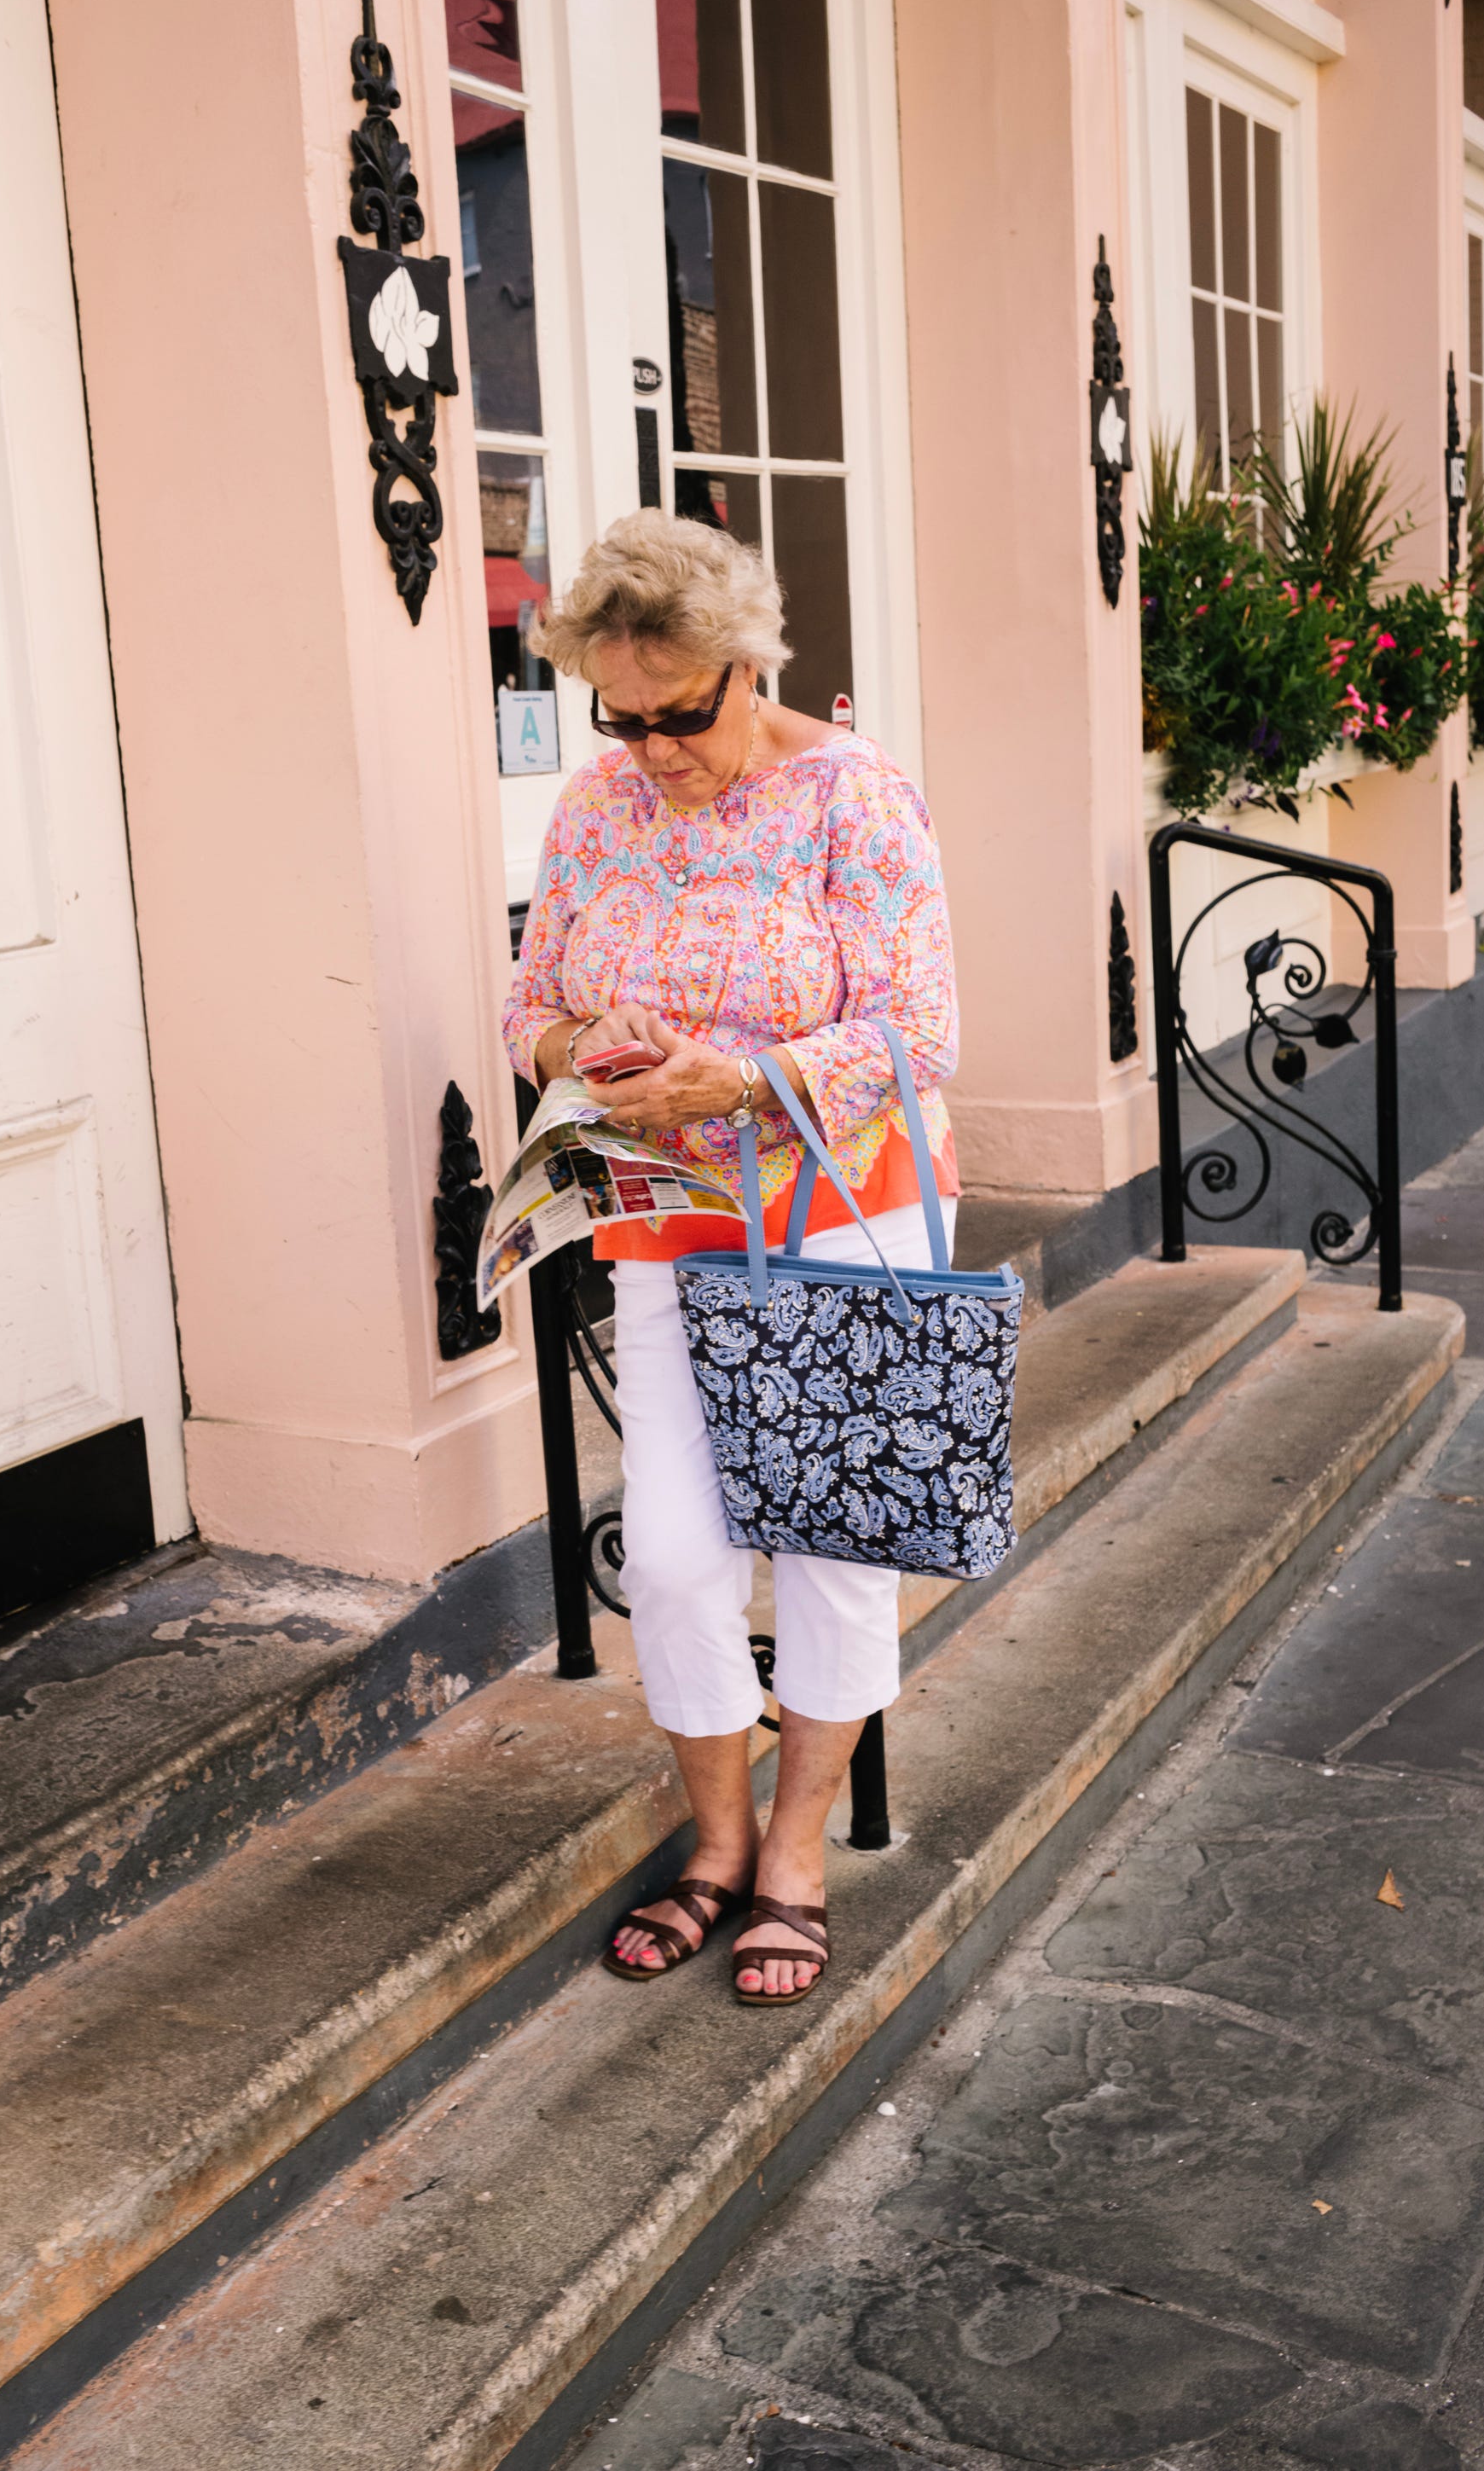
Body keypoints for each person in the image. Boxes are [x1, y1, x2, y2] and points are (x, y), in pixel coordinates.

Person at [504, 509, 959, 2004]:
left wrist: (749, 1079)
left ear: (750, 666)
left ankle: (796, 1859)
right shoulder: (596, 807)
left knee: (831, 1545)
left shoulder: (853, 796)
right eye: (620, 717)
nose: (652, 749)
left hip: (843, 1217)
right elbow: (528, 1010)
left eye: (680, 714)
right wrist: (588, 1042)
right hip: (665, 1221)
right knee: (677, 1557)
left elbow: (922, 1036)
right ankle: (715, 1840)